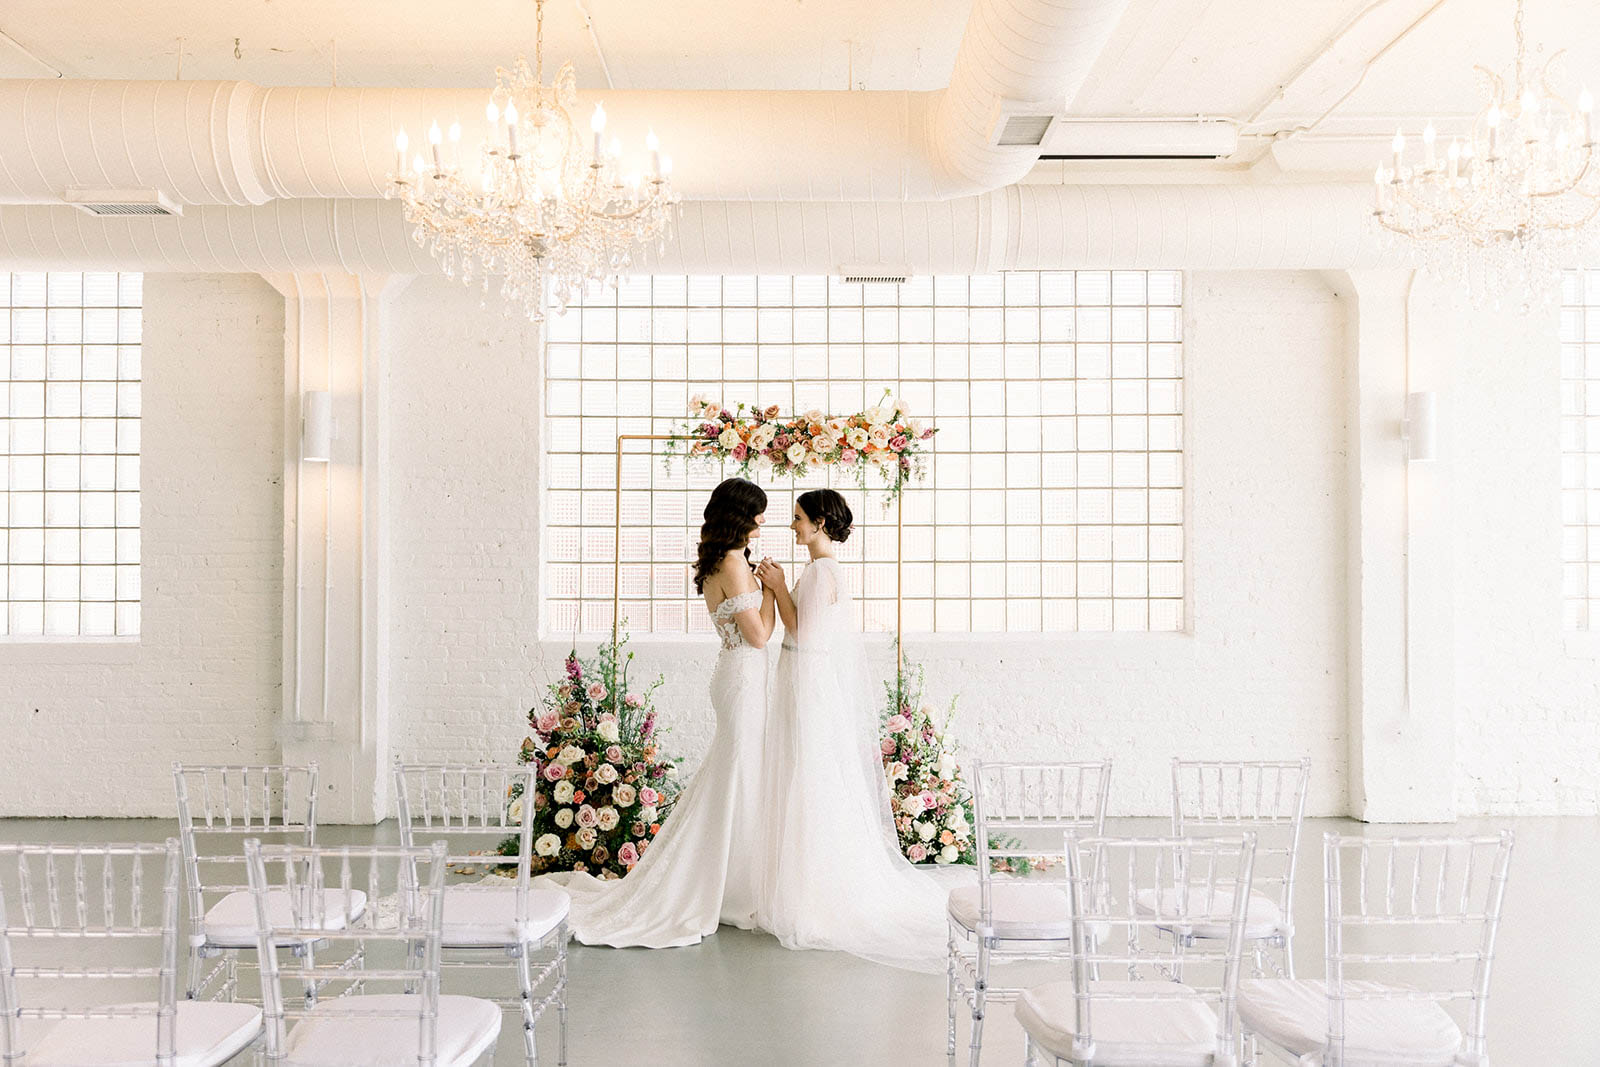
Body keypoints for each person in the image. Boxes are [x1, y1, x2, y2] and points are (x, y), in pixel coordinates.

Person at [544, 477, 776, 947]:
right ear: (740, 516)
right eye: (757, 513)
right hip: (744, 676)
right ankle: (731, 889)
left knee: (736, 773)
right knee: (740, 775)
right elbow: (759, 636)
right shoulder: (732, 563)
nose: (762, 521)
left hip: (735, 676)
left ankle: (735, 881)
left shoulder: (721, 561)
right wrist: (774, 590)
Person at [754, 489, 956, 971]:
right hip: (799, 673)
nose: (793, 526)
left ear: (821, 523)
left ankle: (814, 894)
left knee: (812, 775)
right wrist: (781, 587)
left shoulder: (823, 572)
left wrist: (778, 588)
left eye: (799, 518)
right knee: (800, 772)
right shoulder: (817, 570)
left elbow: (804, 632)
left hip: (809, 679)